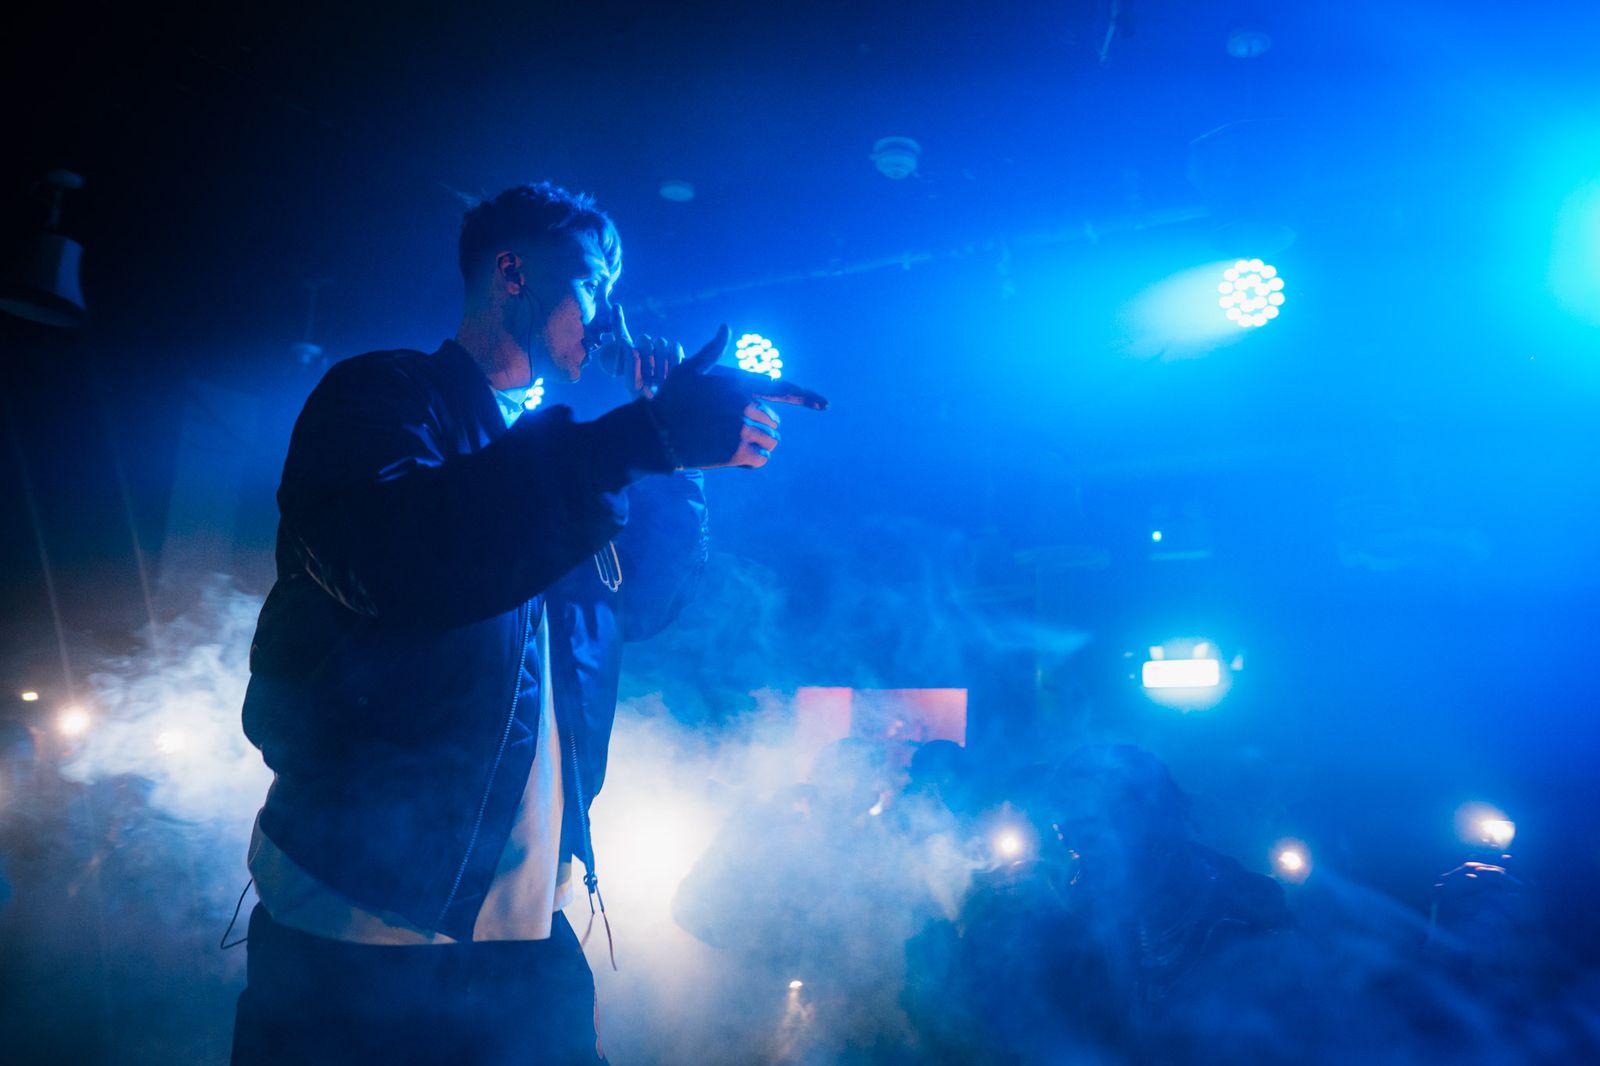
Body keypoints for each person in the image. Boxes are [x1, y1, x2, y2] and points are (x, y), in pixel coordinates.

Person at [231, 182, 825, 1064]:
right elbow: (396, 560)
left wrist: (670, 462)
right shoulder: (385, 395)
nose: (609, 312)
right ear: (511, 271)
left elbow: (647, 604)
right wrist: (635, 440)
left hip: (528, 931)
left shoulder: (572, 457)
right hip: (357, 922)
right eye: (591, 282)